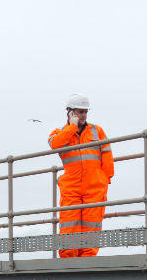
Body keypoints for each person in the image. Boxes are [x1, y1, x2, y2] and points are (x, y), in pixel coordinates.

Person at [48, 94, 114, 257]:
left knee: (91, 227)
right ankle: (69, 264)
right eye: (79, 112)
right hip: (71, 187)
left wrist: (105, 180)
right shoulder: (60, 133)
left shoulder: (97, 131)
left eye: (85, 112)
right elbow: (54, 145)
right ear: (70, 113)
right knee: (69, 226)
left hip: (95, 187)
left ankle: (88, 262)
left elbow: (107, 156)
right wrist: (72, 127)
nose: (83, 115)